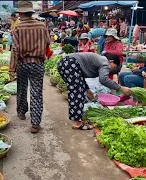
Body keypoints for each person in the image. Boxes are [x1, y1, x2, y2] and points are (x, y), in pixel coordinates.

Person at [57, 52, 132, 130]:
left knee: (76, 91)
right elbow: (103, 79)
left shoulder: (100, 60)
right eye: (114, 67)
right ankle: (77, 123)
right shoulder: (105, 63)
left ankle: (77, 120)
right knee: (76, 93)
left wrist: (87, 89)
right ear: (111, 61)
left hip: (65, 63)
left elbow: (80, 76)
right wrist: (121, 88)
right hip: (70, 63)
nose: (112, 69)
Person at [9, 1, 50, 133]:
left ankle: (21, 112)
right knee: (36, 92)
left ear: (20, 13)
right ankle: (35, 124)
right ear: (31, 12)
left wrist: (12, 68)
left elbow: (15, 49)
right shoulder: (41, 26)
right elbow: (48, 43)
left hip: (23, 63)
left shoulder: (17, 28)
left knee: (22, 88)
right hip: (38, 64)